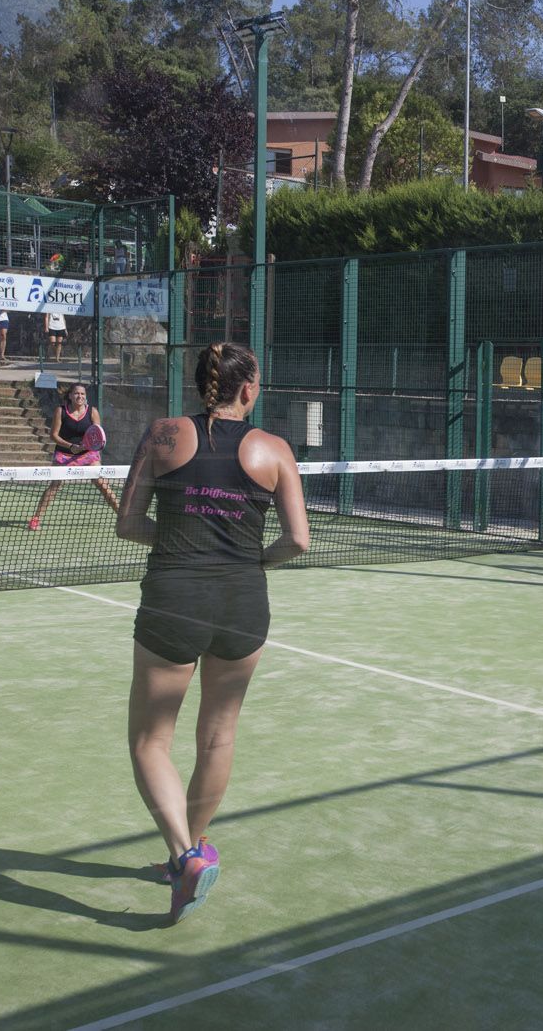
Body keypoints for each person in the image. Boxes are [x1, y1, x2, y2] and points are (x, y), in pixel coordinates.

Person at [116, 342, 309, 924]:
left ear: (203, 384)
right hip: (242, 604)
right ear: (246, 389)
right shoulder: (274, 450)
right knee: (218, 738)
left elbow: (128, 524)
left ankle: (184, 856)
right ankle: (192, 852)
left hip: (174, 598)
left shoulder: (161, 436)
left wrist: (183, 546)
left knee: (151, 742)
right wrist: (250, 561)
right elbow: (298, 540)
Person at [29, 383, 119, 530]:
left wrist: (88, 448)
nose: (80, 396)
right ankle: (36, 519)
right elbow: (54, 435)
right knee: (54, 486)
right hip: (64, 454)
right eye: (77, 393)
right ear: (70, 396)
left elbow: (98, 435)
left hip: (88, 454)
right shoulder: (61, 411)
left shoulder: (92, 412)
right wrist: (71, 447)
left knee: (102, 484)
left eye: (83, 394)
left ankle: (122, 516)